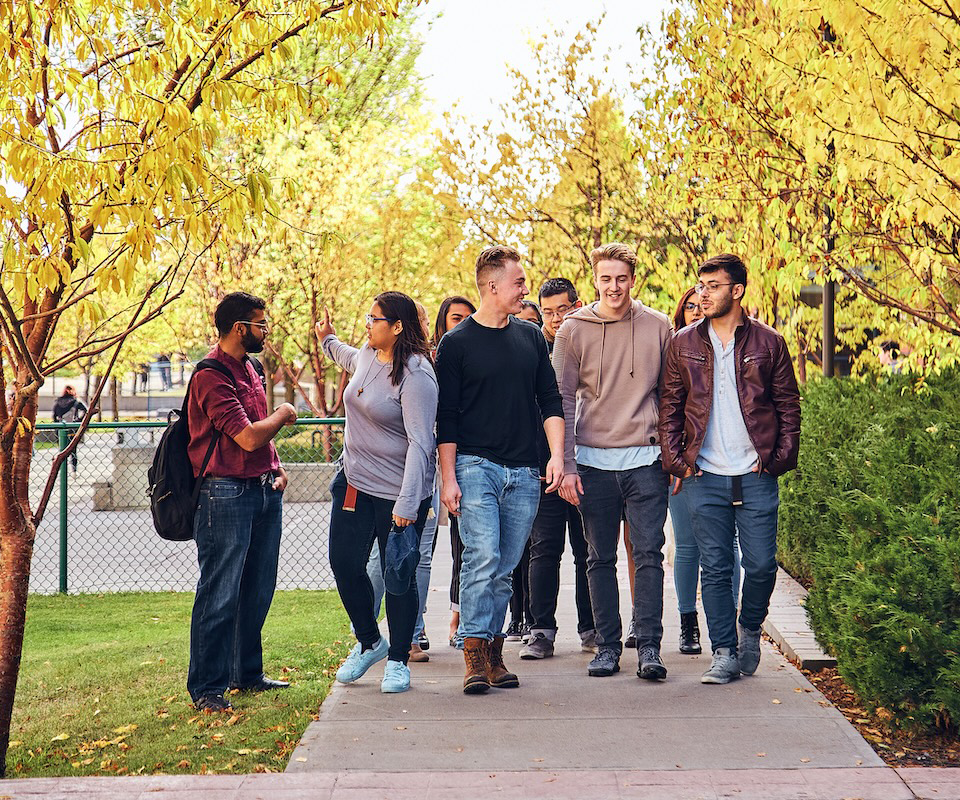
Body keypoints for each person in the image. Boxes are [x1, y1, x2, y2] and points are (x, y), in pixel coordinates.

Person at [659, 253, 801, 684]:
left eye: (713, 286)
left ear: (736, 291)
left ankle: (749, 628)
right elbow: (669, 407)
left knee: (760, 565)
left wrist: (778, 459)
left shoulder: (768, 343)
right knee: (715, 567)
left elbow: (788, 406)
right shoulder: (682, 343)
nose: (702, 293)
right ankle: (723, 651)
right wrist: (677, 462)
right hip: (704, 473)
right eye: (700, 285)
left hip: (756, 471)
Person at [436, 245, 564, 694]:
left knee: (506, 565)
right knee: (482, 556)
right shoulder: (456, 344)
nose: (524, 288)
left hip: (525, 471)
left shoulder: (530, 338)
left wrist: (557, 456)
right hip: (475, 466)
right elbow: (446, 417)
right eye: (518, 282)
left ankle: (492, 648)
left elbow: (550, 399)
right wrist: (448, 478)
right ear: (492, 286)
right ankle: (474, 651)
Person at [553, 243, 672, 681]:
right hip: (592, 463)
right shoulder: (573, 329)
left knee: (649, 555)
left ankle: (649, 647)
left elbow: (670, 396)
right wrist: (564, 463)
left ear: (632, 279)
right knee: (599, 558)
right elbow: (561, 400)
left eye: (621, 278)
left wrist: (672, 458)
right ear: (595, 280)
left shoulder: (659, 325)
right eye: (606, 278)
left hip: (646, 460)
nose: (614, 286)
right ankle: (606, 646)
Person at [317, 291, 438, 694]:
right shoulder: (368, 355)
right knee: (344, 562)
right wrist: (326, 340)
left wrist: (407, 503)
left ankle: (399, 659)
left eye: (375, 319)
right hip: (354, 483)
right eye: (367, 317)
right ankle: (371, 642)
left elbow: (422, 443)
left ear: (397, 327)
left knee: (398, 575)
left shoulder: (417, 375)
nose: (367, 324)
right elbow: (346, 356)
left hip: (399, 493)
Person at [187, 292, 297, 713]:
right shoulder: (210, 375)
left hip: (264, 488)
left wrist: (277, 464)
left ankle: (246, 673)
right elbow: (248, 435)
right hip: (224, 493)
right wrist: (285, 411)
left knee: (256, 589)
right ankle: (207, 687)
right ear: (239, 328)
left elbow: (258, 437)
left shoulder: (252, 368)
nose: (266, 331)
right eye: (261, 324)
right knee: (220, 592)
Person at [520, 278, 596, 659]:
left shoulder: (590, 342)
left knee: (588, 551)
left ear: (577, 305)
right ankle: (541, 631)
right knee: (544, 549)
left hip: (585, 464)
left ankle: (592, 628)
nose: (554, 319)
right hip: (542, 465)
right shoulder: (533, 346)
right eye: (547, 312)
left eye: (562, 310)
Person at [668, 288, 741, 655]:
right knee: (688, 546)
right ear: (680, 314)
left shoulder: (732, 347)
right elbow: (666, 407)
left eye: (703, 305)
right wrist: (674, 459)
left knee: (729, 549)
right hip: (686, 464)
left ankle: (732, 625)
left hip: (729, 467)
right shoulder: (676, 350)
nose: (698, 310)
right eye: (690, 307)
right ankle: (687, 623)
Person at [431, 295, 477, 648]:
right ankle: (417, 628)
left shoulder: (477, 356)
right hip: (431, 464)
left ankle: (463, 619)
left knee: (469, 546)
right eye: (455, 317)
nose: (461, 323)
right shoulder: (429, 362)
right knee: (427, 549)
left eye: (467, 317)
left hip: (469, 461)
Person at [52, 385, 87, 473]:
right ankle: (74, 470)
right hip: (72, 428)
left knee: (62, 449)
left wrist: (57, 424)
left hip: (60, 429)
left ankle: (62, 469)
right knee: (73, 450)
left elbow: (54, 415)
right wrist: (79, 420)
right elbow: (86, 410)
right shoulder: (75, 402)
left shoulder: (58, 402)